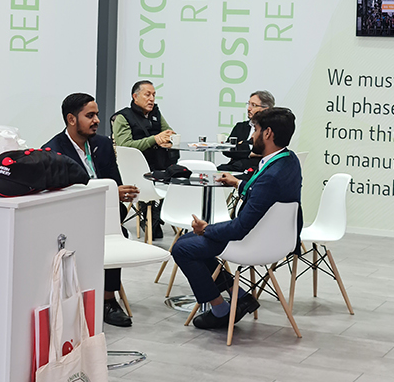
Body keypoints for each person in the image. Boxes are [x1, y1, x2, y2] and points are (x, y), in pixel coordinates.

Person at [171, 106, 302, 330]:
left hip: (253, 242)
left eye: (256, 130)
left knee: (182, 248)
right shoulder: (289, 161)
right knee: (189, 242)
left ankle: (221, 310)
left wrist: (207, 229)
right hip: (278, 239)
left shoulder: (270, 176)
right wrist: (239, 183)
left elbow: (239, 229)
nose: (252, 136)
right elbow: (265, 195)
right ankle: (239, 295)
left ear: (268, 133)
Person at [42, 93, 139, 328]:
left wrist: (119, 193)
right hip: (72, 216)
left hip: (105, 213)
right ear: (71, 119)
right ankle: (98, 298)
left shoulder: (102, 144)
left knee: (116, 231)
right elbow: (60, 196)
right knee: (105, 234)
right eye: (90, 115)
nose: (97, 120)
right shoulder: (52, 151)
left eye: (96, 115)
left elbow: (114, 182)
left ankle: (108, 299)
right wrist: (108, 193)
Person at [112, 80, 179, 235]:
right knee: (155, 233)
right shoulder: (122, 117)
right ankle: (152, 216)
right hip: (137, 171)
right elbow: (125, 145)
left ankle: (156, 216)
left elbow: (169, 132)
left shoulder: (156, 113)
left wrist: (169, 139)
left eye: (154, 95)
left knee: (181, 175)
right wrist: (154, 139)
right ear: (135, 97)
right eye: (147, 95)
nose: (151, 99)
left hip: (160, 166)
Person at [220, 90, 273, 173]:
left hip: (255, 170)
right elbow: (227, 150)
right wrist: (250, 153)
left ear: (265, 109)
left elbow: (266, 153)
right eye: (248, 104)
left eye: (254, 105)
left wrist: (242, 146)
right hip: (234, 167)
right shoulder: (240, 126)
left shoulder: (270, 130)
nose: (248, 108)